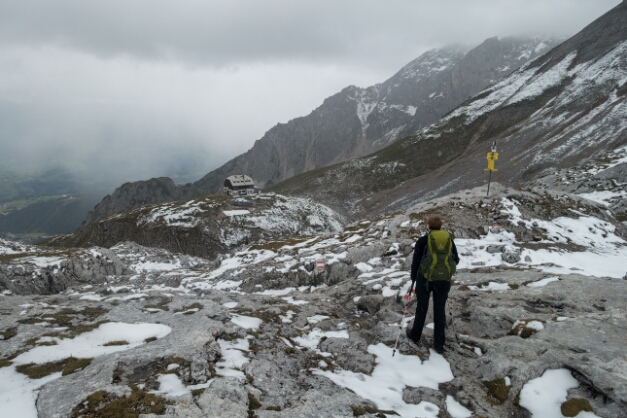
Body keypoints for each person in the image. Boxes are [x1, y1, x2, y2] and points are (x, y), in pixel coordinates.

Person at [406, 215, 460, 354]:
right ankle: (439, 344)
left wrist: (413, 279)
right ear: (440, 227)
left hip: (424, 280)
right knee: (439, 309)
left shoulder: (423, 240)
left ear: (428, 227)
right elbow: (456, 259)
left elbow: (416, 262)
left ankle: (415, 336)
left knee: (422, 308)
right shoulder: (448, 240)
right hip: (443, 280)